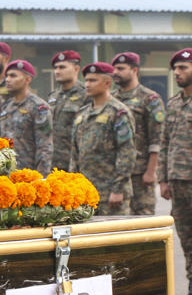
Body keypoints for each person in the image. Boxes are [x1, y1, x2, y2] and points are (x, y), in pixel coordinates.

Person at [71, 62, 136, 216]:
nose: (87, 84)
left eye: (93, 80)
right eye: (86, 80)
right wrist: (73, 185)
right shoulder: (82, 114)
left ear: (107, 83)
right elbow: (75, 154)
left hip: (110, 193)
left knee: (115, 238)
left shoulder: (118, 112)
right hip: (86, 192)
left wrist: (118, 189)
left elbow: (127, 152)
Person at [159, 48, 192, 295]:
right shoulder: (173, 103)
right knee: (187, 240)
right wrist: (163, 179)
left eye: (183, 67)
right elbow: (165, 142)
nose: (178, 73)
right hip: (179, 183)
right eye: (176, 69)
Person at [111, 52, 165, 215]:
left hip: (140, 173)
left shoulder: (149, 99)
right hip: (116, 171)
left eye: (121, 68)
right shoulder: (112, 98)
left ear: (134, 70)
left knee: (143, 217)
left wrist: (150, 171)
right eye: (114, 69)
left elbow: (157, 138)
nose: (115, 72)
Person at [0, 60, 53, 174]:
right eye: (7, 76)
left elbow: (45, 147)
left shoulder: (38, 107)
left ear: (28, 79)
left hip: (27, 174)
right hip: (5, 174)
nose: (7, 79)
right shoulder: (6, 107)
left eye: (13, 76)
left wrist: (41, 177)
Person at [48, 50, 88, 171]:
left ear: (76, 69)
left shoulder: (86, 95)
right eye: (56, 68)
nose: (57, 71)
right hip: (54, 163)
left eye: (62, 67)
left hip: (75, 163)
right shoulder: (53, 96)